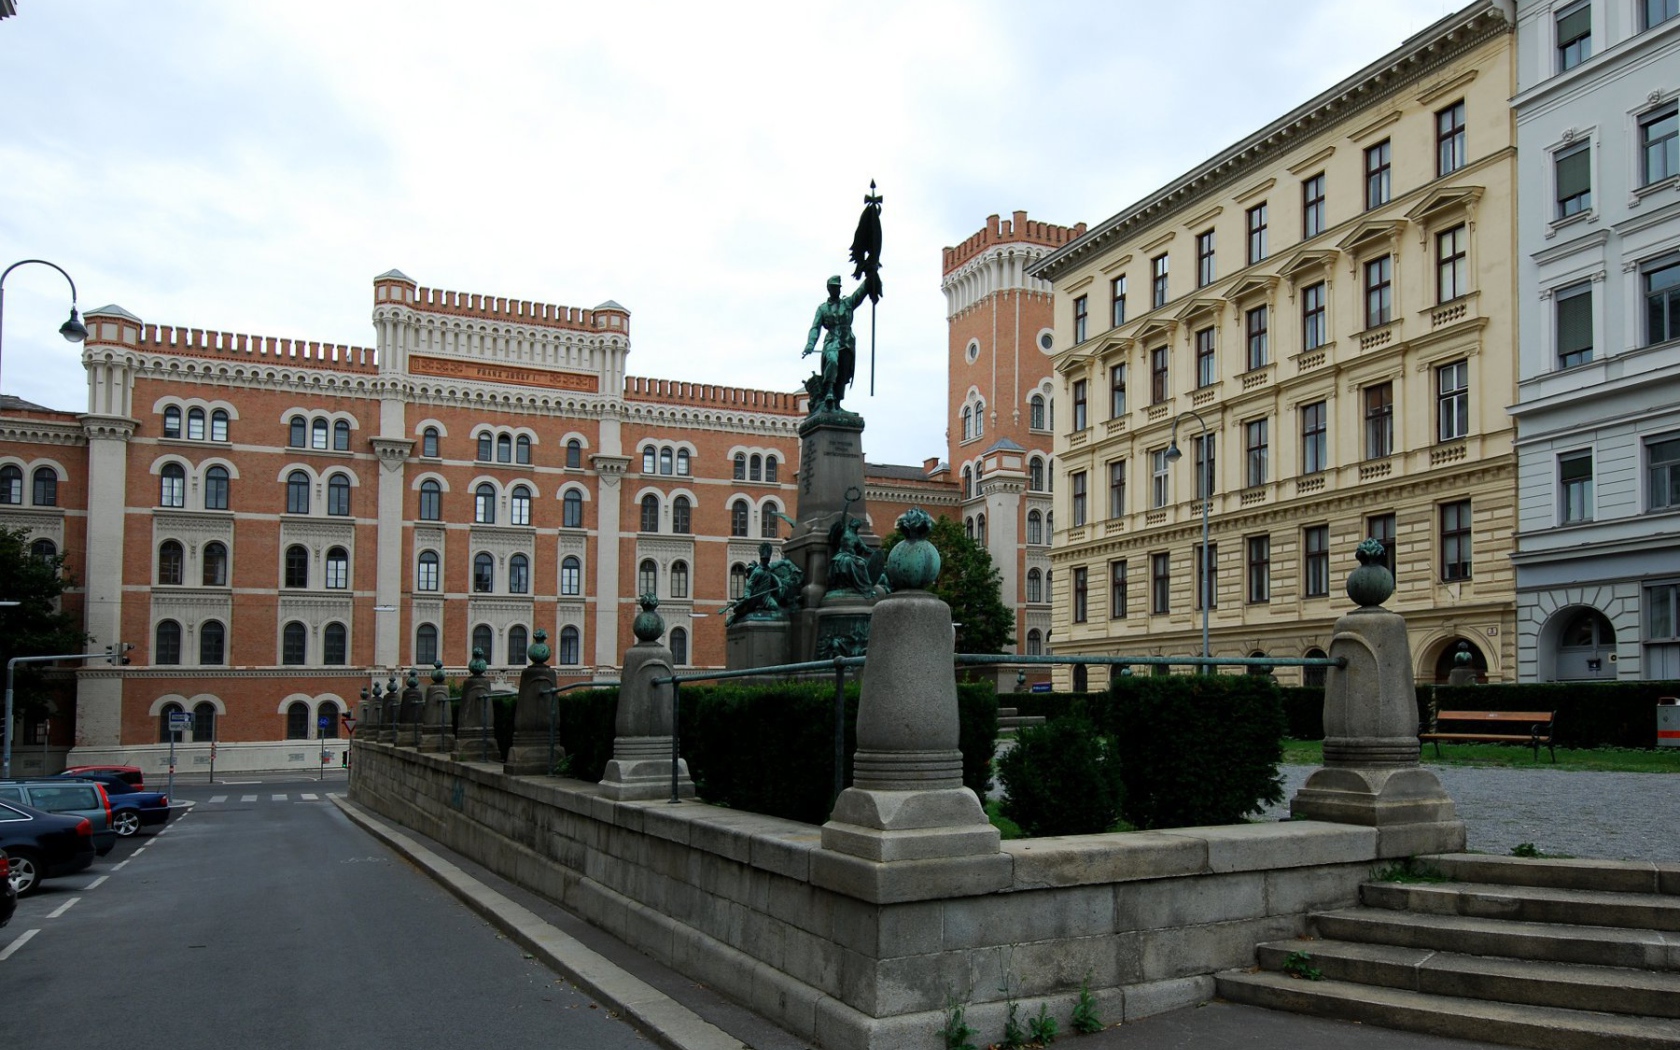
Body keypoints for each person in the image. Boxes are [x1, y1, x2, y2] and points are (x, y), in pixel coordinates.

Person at [802, 276, 870, 412]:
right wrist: (810, 344)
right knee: (832, 361)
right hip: (832, 340)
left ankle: (836, 404)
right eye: (833, 287)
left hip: (847, 342)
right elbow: (815, 327)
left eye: (838, 287)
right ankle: (829, 393)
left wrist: (870, 276)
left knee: (843, 372)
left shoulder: (848, 303)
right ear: (829, 289)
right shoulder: (822, 309)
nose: (836, 290)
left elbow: (861, 292)